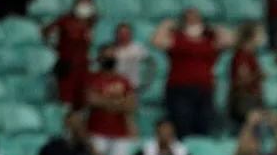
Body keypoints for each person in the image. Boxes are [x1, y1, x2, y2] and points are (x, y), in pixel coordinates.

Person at [152, 10, 235, 138]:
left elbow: (231, 40)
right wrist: (167, 24)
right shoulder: (177, 38)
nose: (193, 21)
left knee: (203, 127)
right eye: (189, 18)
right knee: (182, 126)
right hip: (179, 90)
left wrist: (213, 27)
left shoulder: (209, 41)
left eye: (196, 18)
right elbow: (156, 41)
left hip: (204, 90)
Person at [87, 46, 137, 155]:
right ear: (100, 58)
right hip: (97, 131)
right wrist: (118, 103)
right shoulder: (92, 78)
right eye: (106, 56)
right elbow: (91, 100)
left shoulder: (124, 80)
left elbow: (131, 105)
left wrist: (104, 102)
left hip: (120, 133)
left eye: (112, 56)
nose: (109, 59)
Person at [42, 0, 96, 109]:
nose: (87, 4)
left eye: (89, 2)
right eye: (84, 1)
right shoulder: (65, 20)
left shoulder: (91, 23)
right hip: (67, 66)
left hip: (84, 67)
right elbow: (47, 32)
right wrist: (54, 44)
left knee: (82, 102)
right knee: (66, 102)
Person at [229, 22, 266, 128]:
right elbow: (240, 81)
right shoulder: (242, 56)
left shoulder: (251, 55)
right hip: (245, 101)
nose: (262, 38)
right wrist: (258, 76)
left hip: (252, 98)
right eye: (260, 34)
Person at [111, 23, 153, 91]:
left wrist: (147, 82)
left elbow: (151, 64)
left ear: (131, 34)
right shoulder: (112, 49)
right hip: (114, 87)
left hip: (132, 86)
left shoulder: (137, 48)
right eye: (120, 33)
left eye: (126, 33)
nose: (123, 35)